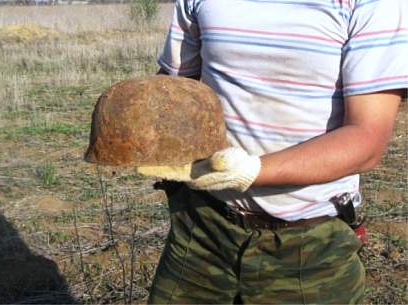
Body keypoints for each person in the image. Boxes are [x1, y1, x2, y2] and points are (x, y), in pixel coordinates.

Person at [140, 0, 407, 304]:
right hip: (201, 229)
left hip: (309, 246)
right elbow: (173, 87)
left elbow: (366, 140)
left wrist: (251, 172)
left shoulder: (374, 4)